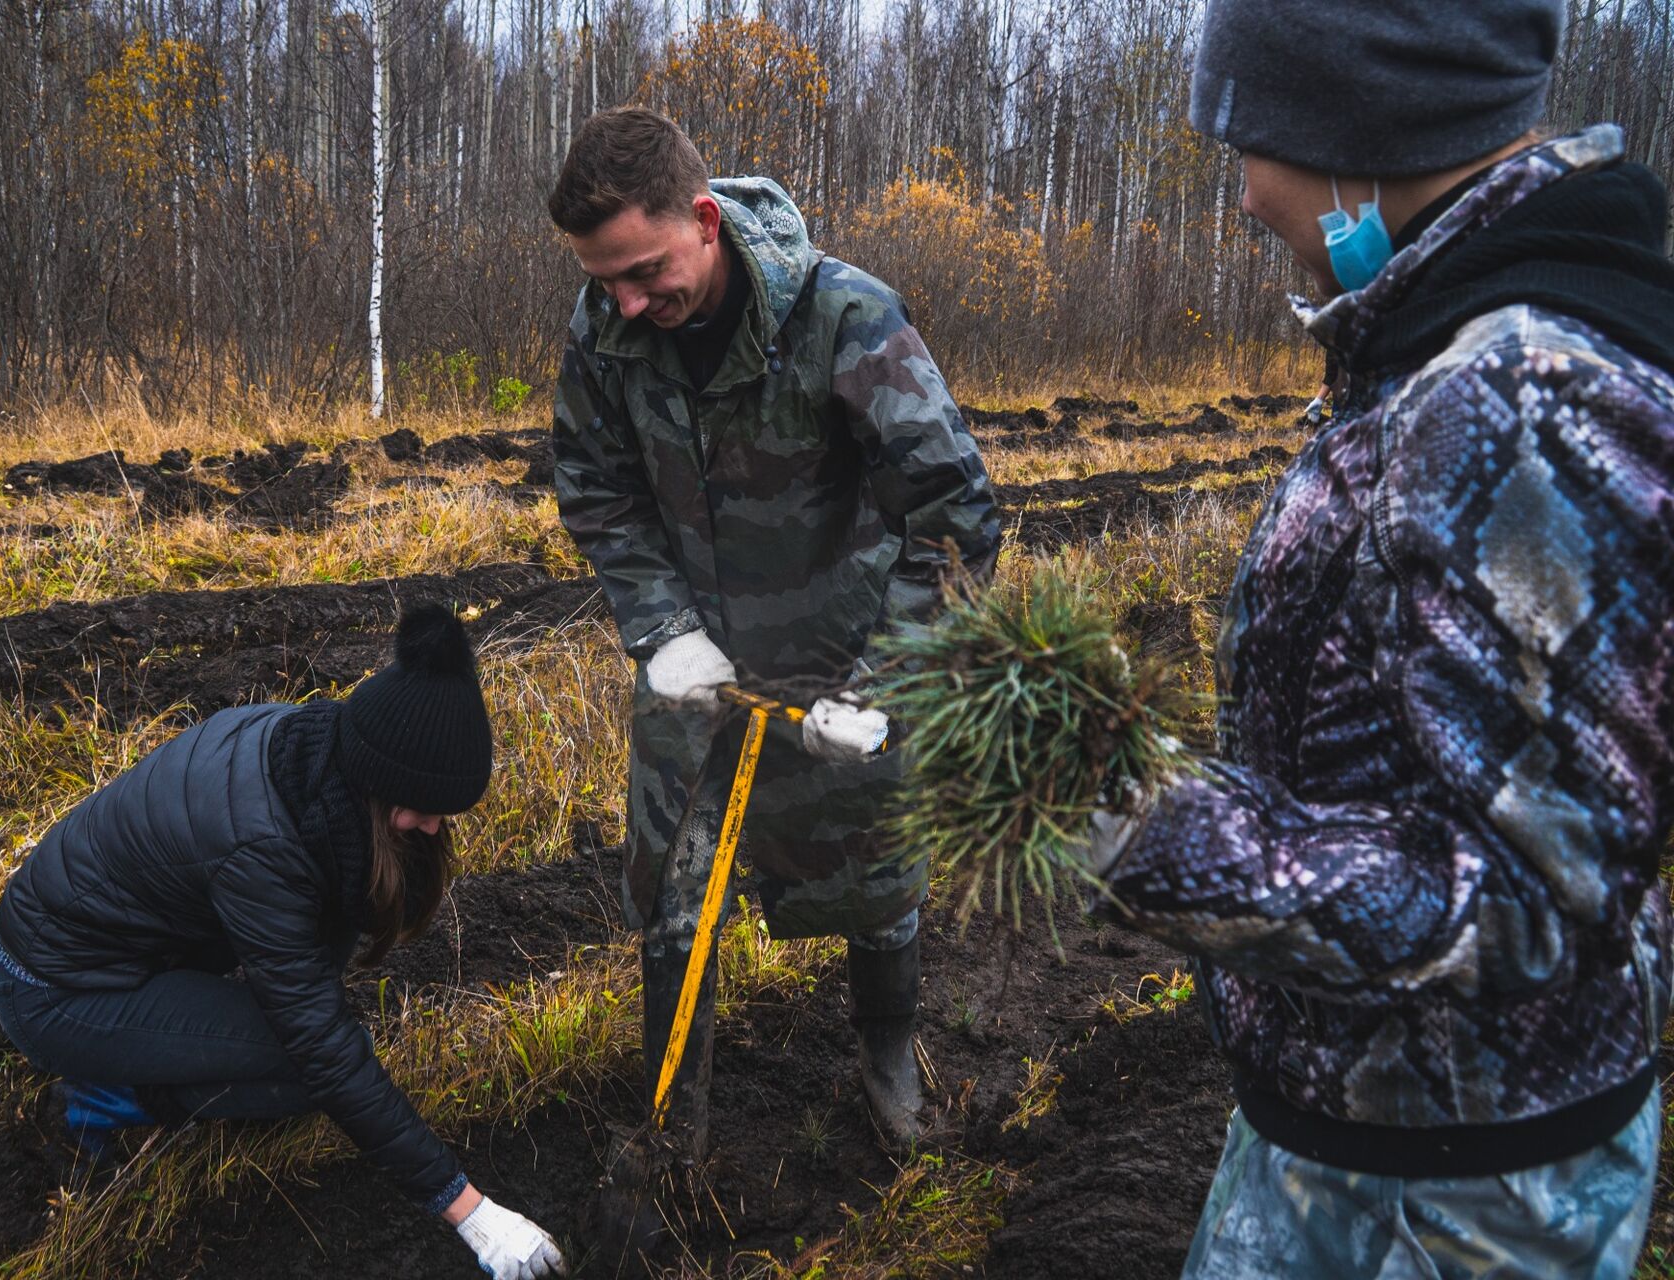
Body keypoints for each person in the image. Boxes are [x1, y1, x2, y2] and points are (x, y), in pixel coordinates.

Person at [1082, 1, 1674, 1276]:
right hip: (1360, 1125)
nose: (1242, 194)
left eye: (1250, 143)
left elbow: (1533, 894)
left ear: (1355, 131)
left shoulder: (1521, 395)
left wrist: (1155, 828)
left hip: (1455, 1191)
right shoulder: (1440, 336)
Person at [546, 107, 1000, 1156]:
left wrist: (886, 678)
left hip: (843, 663)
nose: (626, 300)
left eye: (645, 270)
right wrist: (662, 631)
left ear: (704, 221)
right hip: (694, 676)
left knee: (878, 883)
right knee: (674, 894)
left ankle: (888, 1059)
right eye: (604, 277)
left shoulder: (845, 320)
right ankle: (677, 1122)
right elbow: (597, 490)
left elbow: (956, 512)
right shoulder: (606, 329)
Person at [0, 604, 567, 1280]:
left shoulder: (313, 756)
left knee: (316, 1045)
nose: (434, 828)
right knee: (304, 1070)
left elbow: (319, 959)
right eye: (425, 808)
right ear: (379, 779)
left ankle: (156, 1051)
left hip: (123, 952)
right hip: (56, 992)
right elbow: (320, 1049)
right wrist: (471, 1212)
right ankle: (103, 1099)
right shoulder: (261, 844)